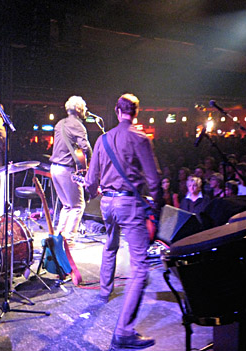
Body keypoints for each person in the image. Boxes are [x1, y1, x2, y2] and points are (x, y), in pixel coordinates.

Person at [83, 93, 160, 350]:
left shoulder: (102, 139)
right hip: (129, 205)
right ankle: (124, 331)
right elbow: (154, 180)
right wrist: (156, 208)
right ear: (136, 112)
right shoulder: (140, 138)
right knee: (140, 268)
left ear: (117, 111)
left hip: (107, 204)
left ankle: (105, 290)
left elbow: (90, 183)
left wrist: (96, 188)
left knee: (110, 243)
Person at [49, 96, 93, 241]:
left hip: (54, 168)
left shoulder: (59, 123)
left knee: (67, 205)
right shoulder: (78, 125)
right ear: (79, 109)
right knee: (78, 206)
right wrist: (92, 162)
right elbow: (85, 147)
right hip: (66, 169)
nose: (86, 111)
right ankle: (69, 240)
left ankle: (58, 238)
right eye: (84, 108)